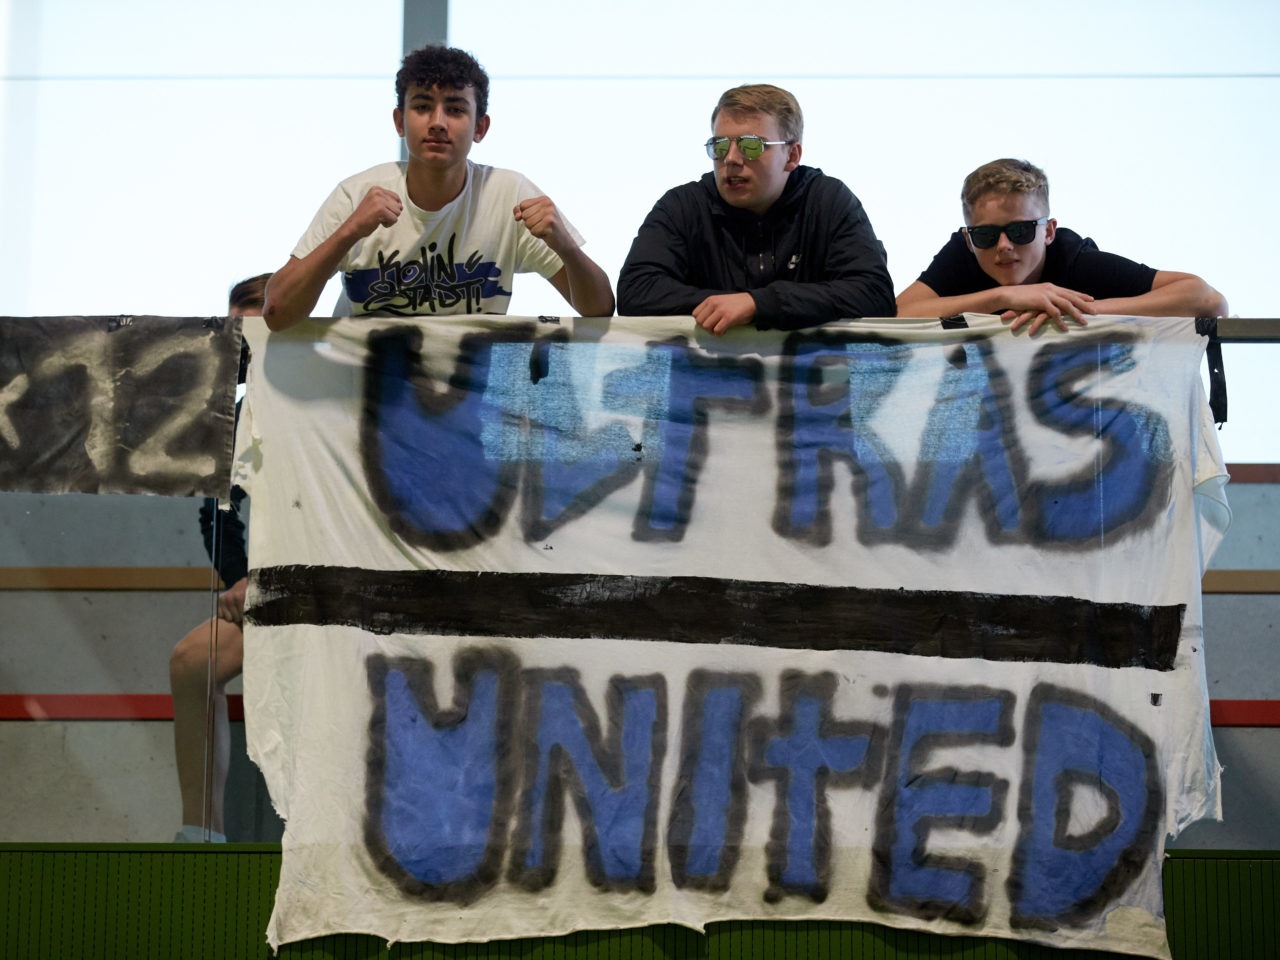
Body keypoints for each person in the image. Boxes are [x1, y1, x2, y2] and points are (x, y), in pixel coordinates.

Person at [263, 45, 613, 329]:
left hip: (462, 404)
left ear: (480, 128)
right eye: (422, 107)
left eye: (456, 109)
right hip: (363, 397)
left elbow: (599, 309)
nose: (438, 123)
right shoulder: (356, 194)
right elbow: (277, 312)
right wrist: (350, 231)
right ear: (400, 121)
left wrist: (566, 246)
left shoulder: (507, 193)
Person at [616, 83, 895, 335]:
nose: (732, 159)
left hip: (809, 386)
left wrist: (756, 304)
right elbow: (635, 293)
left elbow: (873, 292)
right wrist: (732, 306)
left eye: (751, 146)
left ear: (792, 155)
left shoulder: (828, 200)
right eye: (720, 145)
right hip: (707, 384)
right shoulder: (682, 206)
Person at [895, 158, 1228, 334]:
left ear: (1049, 232)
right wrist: (1002, 297)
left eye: (1021, 231)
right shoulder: (963, 255)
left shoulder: (1073, 260)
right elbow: (895, 314)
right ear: (969, 239)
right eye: (985, 236)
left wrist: (1076, 311)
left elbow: (1208, 300)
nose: (1004, 246)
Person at [169, 273, 268, 843]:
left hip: (352, 583)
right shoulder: (237, 419)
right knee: (191, 662)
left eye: (251, 314)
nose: (239, 328)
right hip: (279, 587)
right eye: (234, 319)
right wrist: (241, 579)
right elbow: (218, 512)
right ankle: (201, 834)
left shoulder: (332, 400)